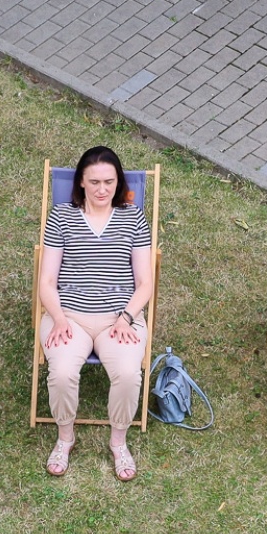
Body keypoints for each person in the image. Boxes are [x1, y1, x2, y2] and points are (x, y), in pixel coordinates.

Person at [37, 146, 154, 481]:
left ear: (118, 183)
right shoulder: (61, 217)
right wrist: (58, 318)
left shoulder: (134, 218)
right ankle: (65, 438)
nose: (103, 189)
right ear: (82, 183)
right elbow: (46, 280)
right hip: (69, 315)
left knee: (130, 374)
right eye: (95, 182)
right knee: (60, 372)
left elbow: (145, 283)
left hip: (119, 318)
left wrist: (127, 317)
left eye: (109, 181)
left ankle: (119, 442)